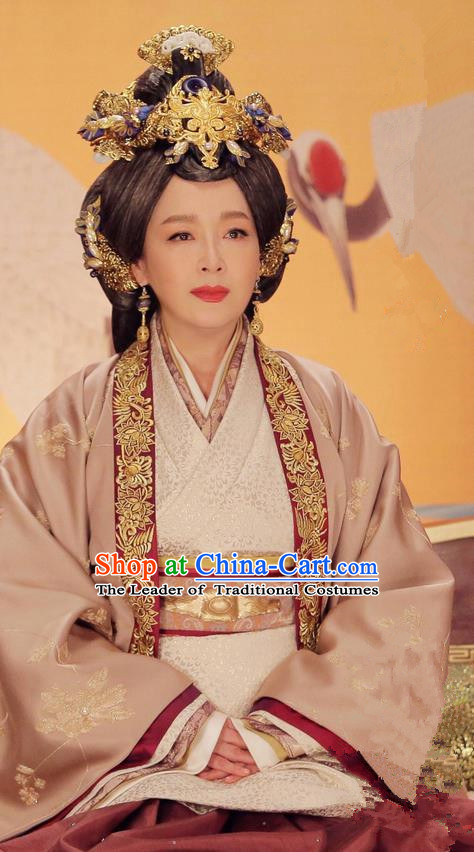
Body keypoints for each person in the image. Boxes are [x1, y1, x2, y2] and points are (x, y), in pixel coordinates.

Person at [1, 24, 472, 851]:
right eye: (181, 235)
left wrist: (272, 733)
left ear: (266, 251)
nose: (212, 260)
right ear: (135, 261)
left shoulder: (329, 407)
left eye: (236, 231)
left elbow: (392, 589)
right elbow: (22, 599)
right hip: (138, 747)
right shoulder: (69, 422)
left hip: (300, 733)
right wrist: (188, 729)